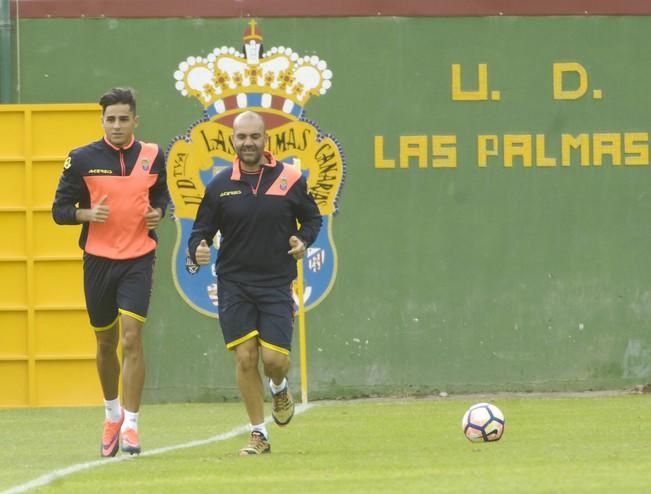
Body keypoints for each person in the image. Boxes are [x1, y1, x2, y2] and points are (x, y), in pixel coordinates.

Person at [188, 110, 322, 455]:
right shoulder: (219, 185)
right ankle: (259, 433)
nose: (248, 143)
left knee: (275, 360)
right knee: (246, 358)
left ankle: (279, 387)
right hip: (234, 283)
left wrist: (303, 240)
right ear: (233, 141)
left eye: (254, 137)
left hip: (277, 282)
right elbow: (201, 230)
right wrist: (198, 248)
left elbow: (311, 219)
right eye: (241, 137)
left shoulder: (290, 179)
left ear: (266, 140)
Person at [52, 87, 170, 457]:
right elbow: (59, 210)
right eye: (110, 119)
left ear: (136, 120)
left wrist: (159, 213)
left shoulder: (153, 155)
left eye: (123, 118)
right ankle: (111, 414)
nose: (117, 125)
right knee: (105, 342)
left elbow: (161, 196)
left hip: (138, 257)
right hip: (98, 260)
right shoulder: (82, 159)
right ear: (102, 121)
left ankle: (132, 425)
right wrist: (86, 214)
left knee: (132, 338)